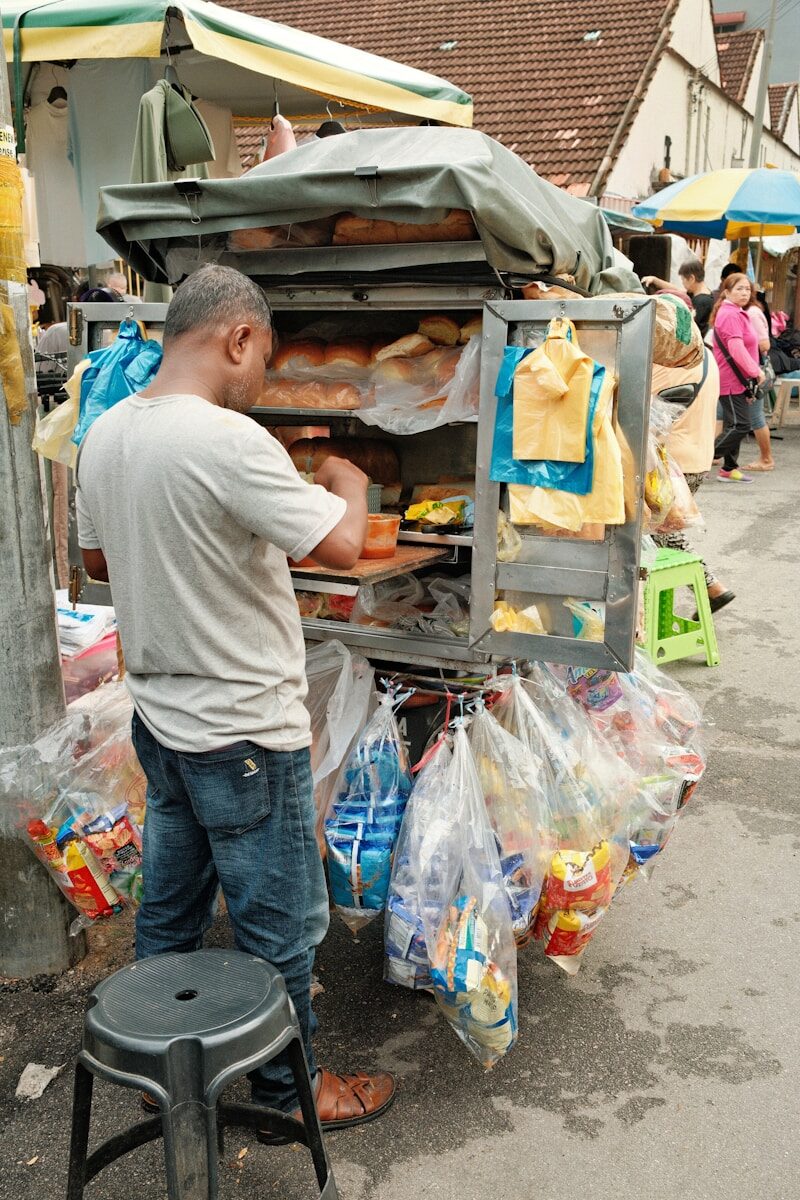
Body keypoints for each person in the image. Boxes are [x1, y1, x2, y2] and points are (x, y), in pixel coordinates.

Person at [76, 264, 395, 1135]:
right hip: (248, 736)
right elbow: (340, 545)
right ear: (238, 339)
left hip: (165, 727)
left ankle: (163, 1075)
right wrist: (346, 475)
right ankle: (290, 1097)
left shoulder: (104, 436)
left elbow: (100, 564)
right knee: (279, 931)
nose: (260, 382)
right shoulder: (228, 441)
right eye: (264, 360)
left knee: (171, 917)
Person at [652, 347, 735, 615]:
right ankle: (710, 590)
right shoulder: (706, 354)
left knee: (658, 530)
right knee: (660, 532)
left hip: (671, 461)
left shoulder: (666, 361)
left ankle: (712, 587)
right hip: (698, 456)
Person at [709, 273, 764, 482]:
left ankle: (729, 469)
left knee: (734, 423)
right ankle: (704, 459)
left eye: (747, 289)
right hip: (731, 379)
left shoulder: (738, 312)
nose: (744, 293)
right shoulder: (730, 314)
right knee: (741, 424)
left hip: (739, 379)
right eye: (739, 288)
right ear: (727, 292)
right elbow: (736, 348)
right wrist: (755, 371)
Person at [742, 282, 774, 472]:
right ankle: (716, 454)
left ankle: (767, 458)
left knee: (755, 416)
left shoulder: (752, 313)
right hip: (741, 372)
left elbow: (764, 345)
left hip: (753, 373)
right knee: (721, 413)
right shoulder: (741, 312)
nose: (743, 293)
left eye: (746, 289)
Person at [642, 259, 713, 336]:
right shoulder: (703, 293)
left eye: (683, 280)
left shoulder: (701, 302)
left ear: (692, 278)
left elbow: (689, 330)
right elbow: (677, 291)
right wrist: (655, 280)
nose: (682, 283)